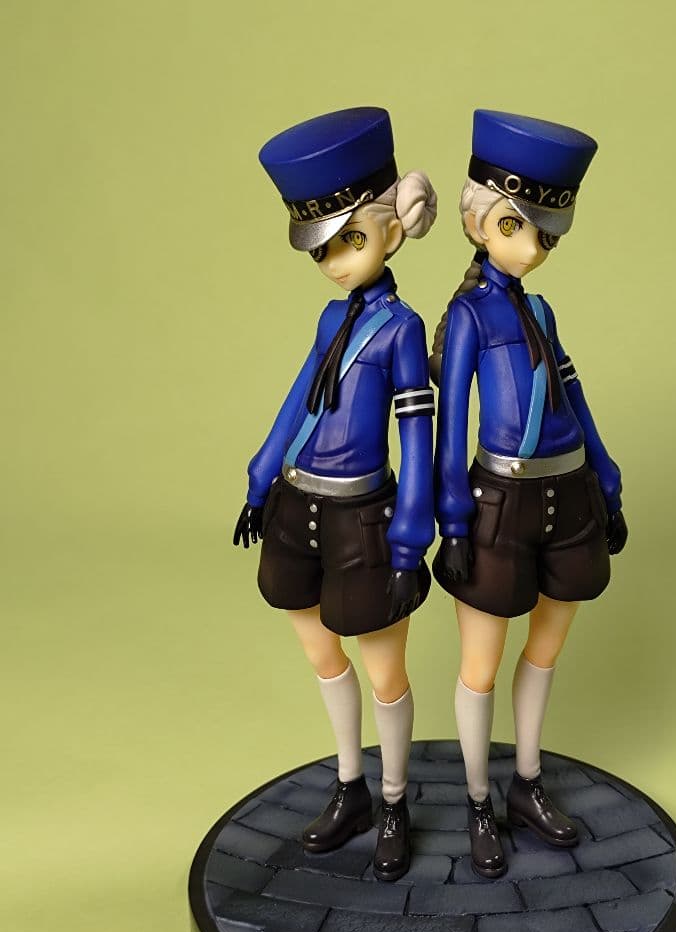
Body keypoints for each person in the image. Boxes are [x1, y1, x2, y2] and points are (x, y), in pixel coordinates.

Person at [234, 108, 436, 882]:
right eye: (324, 249)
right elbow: (300, 402)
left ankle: (394, 800)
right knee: (321, 653)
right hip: (297, 504)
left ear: (393, 228)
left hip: (362, 516)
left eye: (350, 239)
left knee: (383, 668)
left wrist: (411, 535)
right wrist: (261, 477)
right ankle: (351, 785)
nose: (336, 262)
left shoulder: (402, 330)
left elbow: (416, 434)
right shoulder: (329, 318)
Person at [432, 110, 628, 879]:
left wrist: (606, 477)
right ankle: (479, 798)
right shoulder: (469, 315)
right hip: (500, 502)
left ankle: (526, 779)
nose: (532, 248)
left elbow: (575, 398)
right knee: (481, 663)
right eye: (516, 226)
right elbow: (451, 422)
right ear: (479, 222)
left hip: (568, 493)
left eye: (545, 234)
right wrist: (453, 516)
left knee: (546, 650)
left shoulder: (541, 311)